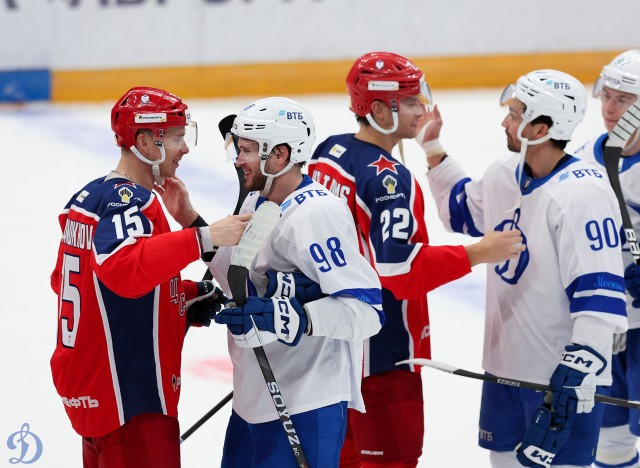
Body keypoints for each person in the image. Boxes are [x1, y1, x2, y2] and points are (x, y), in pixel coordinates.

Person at [307, 51, 525, 468]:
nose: (421, 109)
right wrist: (479, 252)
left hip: (329, 349)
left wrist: (430, 146)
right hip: (383, 353)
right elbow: (399, 271)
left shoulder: (328, 151)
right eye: (409, 102)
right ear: (377, 110)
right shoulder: (389, 179)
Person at [424, 69, 628, 467]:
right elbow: (462, 212)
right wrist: (432, 145)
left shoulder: (582, 194)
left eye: (515, 114)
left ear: (541, 128)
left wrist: (576, 372)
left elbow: (600, 294)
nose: (505, 121)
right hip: (503, 368)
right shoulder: (505, 171)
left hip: (559, 379)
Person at [49, 86, 250, 468]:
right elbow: (123, 270)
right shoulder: (132, 202)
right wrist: (204, 236)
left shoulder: (88, 199)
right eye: (175, 137)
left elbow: (78, 285)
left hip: (94, 394)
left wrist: (182, 297)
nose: (185, 148)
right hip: (132, 398)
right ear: (144, 142)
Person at [208, 96, 384, 468]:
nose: (238, 160)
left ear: (280, 155)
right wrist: (192, 223)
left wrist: (295, 318)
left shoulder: (316, 214)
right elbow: (241, 281)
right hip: (254, 397)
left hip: (304, 403)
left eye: (247, 150)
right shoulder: (257, 200)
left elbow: (367, 310)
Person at [572, 50, 640, 468]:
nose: (610, 108)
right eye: (607, 95)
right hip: (605, 322)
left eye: (624, 99)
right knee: (611, 440)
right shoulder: (582, 158)